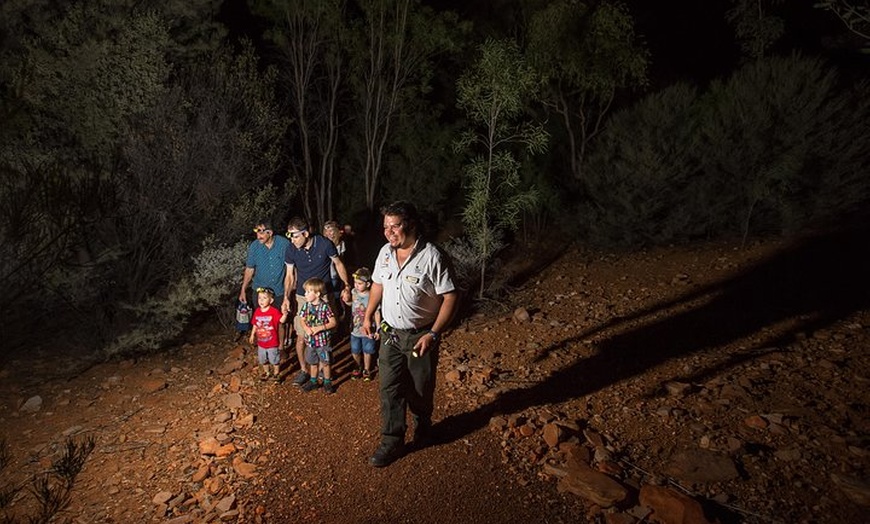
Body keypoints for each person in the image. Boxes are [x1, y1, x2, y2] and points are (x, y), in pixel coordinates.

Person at [362, 201, 458, 467]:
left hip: (421, 336)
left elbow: (450, 297)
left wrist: (435, 334)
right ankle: (392, 440)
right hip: (391, 334)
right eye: (385, 227)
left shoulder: (432, 257)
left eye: (395, 226)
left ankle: (423, 424)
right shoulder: (384, 253)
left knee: (420, 388)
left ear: (411, 224)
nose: (389, 232)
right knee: (389, 387)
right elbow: (378, 284)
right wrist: (369, 314)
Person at [283, 217, 352, 387]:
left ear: (305, 233)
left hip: (323, 295)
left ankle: (322, 370)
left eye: (294, 236)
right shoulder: (291, 249)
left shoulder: (324, 244)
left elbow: (338, 264)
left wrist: (347, 285)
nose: (292, 240)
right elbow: (290, 275)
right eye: (289, 236)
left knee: (324, 336)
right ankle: (304, 370)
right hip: (302, 295)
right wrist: (286, 297)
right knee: (301, 336)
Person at [240, 219, 291, 340]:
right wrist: (243, 289)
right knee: (261, 321)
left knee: (279, 321)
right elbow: (250, 269)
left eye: (262, 232)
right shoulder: (254, 246)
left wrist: (291, 289)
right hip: (259, 291)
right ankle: (264, 346)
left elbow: (290, 267)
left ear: (270, 232)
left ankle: (280, 348)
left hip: (278, 290)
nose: (259, 235)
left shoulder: (284, 244)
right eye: (257, 231)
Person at [298, 278, 338, 394]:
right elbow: (302, 318)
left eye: (308, 292)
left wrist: (319, 328)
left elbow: (333, 322)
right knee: (312, 362)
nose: (305, 294)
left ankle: (327, 382)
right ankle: (313, 380)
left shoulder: (325, 307)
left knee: (325, 362)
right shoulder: (306, 306)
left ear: (317, 294)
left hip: (323, 341)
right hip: (311, 341)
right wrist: (305, 328)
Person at [345, 267, 380, 381]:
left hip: (368, 329)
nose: (356, 285)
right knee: (355, 349)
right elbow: (352, 305)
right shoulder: (354, 292)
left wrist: (378, 328)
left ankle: (367, 369)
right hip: (355, 328)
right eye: (355, 283)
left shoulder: (372, 296)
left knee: (368, 350)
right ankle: (357, 365)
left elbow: (377, 312)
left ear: (368, 284)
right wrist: (346, 301)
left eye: (359, 283)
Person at [248, 287, 283, 382]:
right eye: (259, 298)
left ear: (271, 300)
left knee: (274, 359)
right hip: (261, 342)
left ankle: (276, 373)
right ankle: (266, 372)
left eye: (264, 298)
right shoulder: (257, 311)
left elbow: (281, 320)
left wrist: (285, 314)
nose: (261, 300)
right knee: (263, 359)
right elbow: (255, 324)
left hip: (272, 342)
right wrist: (252, 335)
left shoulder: (274, 311)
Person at [323, 220, 347, 320]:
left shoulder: (341, 245)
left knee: (336, 299)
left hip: (336, 276)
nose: (329, 233)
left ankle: (338, 321)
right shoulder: (322, 244)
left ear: (337, 231)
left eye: (331, 230)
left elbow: (341, 262)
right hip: (325, 275)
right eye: (326, 231)